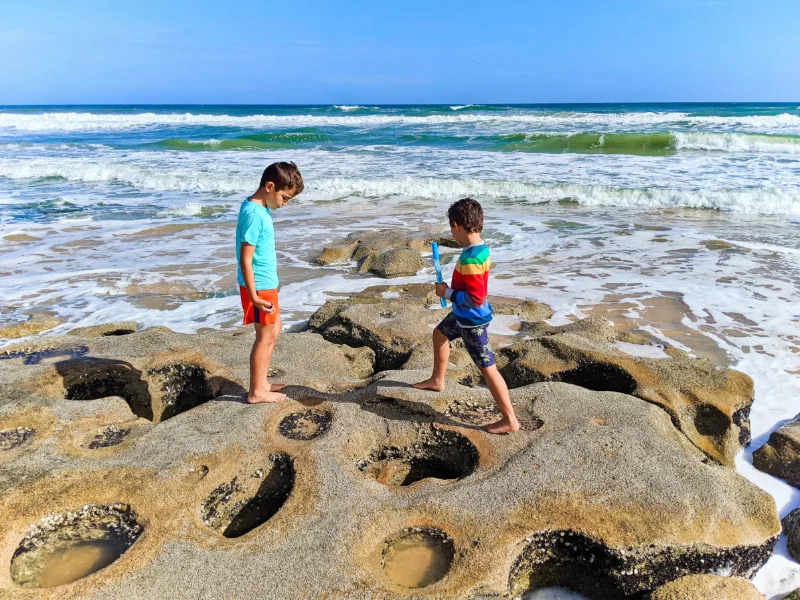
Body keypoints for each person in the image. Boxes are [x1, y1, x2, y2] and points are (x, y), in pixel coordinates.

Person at [413, 197, 520, 434]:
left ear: (456, 226)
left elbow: (475, 298)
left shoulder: (471, 258)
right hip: (462, 316)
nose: (453, 235)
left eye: (452, 230)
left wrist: (447, 292)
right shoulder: (481, 249)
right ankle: (437, 380)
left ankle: (510, 419)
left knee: (487, 367)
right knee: (439, 334)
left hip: (472, 321)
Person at [237, 161, 303, 403]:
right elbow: (246, 259)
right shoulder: (254, 215)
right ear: (270, 186)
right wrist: (254, 296)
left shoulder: (258, 208)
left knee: (274, 330)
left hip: (266, 284)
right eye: (284, 198)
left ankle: (263, 382)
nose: (284, 204)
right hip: (259, 288)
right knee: (264, 337)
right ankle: (255, 392)